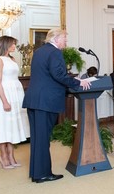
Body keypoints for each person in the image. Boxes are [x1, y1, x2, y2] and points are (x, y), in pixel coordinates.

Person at [23, 28, 91, 183]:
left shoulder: (39, 52)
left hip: (34, 100)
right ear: (56, 38)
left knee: (37, 138)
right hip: (45, 102)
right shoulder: (55, 53)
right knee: (42, 139)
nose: (66, 42)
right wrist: (78, 81)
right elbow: (58, 75)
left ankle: (37, 173)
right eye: (65, 38)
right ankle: (42, 174)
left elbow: (47, 76)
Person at [0, 35, 30, 169]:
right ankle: (3, 156)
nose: (14, 46)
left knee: (13, 125)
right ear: (5, 44)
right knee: (3, 125)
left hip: (16, 93)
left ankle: (11, 155)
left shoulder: (12, 59)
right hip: (4, 94)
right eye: (12, 44)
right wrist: (4, 101)